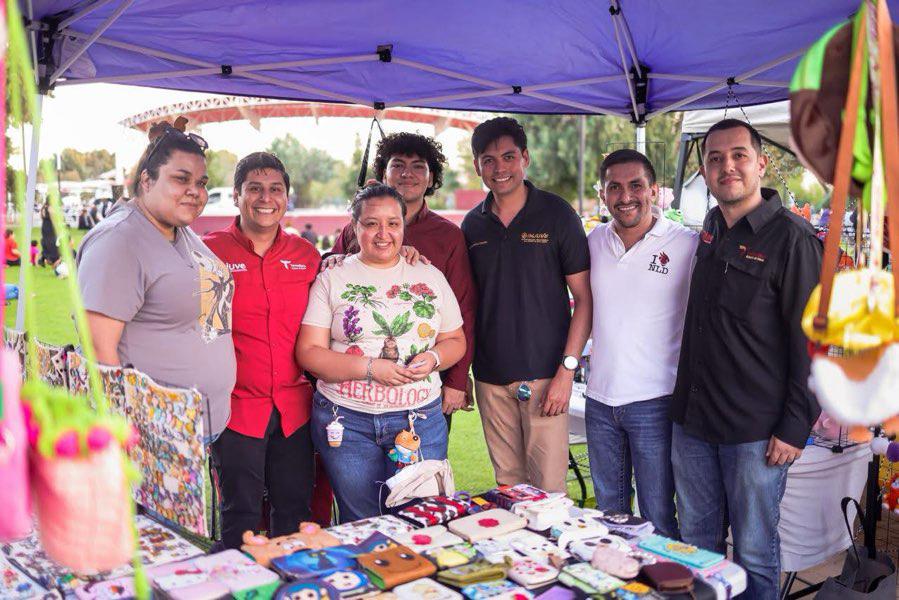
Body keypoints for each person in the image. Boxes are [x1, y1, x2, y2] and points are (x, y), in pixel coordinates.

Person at [670, 119, 822, 599]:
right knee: (697, 546)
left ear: (762, 163)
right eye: (715, 158)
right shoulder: (711, 228)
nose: (727, 166)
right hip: (693, 422)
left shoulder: (794, 239)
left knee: (754, 553)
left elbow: (813, 343)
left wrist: (795, 425)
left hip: (755, 432)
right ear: (704, 172)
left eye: (738, 155)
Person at [296, 184, 466, 522]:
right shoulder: (333, 278)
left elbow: (455, 339)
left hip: (418, 420)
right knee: (362, 520)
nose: (383, 233)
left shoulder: (429, 275)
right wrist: (371, 368)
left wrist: (434, 358)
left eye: (393, 223)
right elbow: (309, 352)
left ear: (404, 226)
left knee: (420, 519)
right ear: (354, 226)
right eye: (371, 223)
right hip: (346, 422)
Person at [77, 119, 236, 441]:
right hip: (153, 437)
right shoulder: (119, 242)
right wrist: (123, 437)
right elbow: (98, 351)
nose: (195, 191)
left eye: (201, 182)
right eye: (181, 179)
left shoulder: (178, 230)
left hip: (199, 425)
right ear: (147, 180)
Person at [461, 117, 591, 493]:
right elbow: (468, 304)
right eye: (488, 160)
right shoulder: (472, 225)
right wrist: (463, 372)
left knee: (549, 493)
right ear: (477, 167)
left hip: (547, 378)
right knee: (509, 490)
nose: (499, 168)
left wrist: (566, 372)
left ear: (525, 158)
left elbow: (585, 300)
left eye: (508, 157)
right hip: (490, 379)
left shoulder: (557, 214)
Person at [203, 152, 321, 549]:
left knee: (294, 514)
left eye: (275, 189)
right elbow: (200, 331)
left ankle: (290, 580)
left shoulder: (306, 256)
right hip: (236, 410)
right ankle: (238, 581)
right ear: (237, 195)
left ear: (287, 196)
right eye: (254, 188)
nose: (265, 198)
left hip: (295, 410)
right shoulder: (210, 252)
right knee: (241, 518)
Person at [583, 149, 696, 539]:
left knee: (658, 515)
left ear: (654, 190)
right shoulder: (593, 241)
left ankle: (663, 577)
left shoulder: (686, 244)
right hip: (599, 401)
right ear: (602, 194)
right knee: (609, 516)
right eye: (614, 187)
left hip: (656, 401)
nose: (625, 196)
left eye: (635, 185)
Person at [330, 132, 476, 422]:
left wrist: (457, 380)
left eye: (418, 166)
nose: (407, 174)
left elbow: (465, 309)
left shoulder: (448, 236)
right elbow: (329, 279)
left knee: (421, 452)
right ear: (383, 174)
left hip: (424, 384)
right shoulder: (355, 228)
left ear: (431, 178)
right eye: (397, 165)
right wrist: (331, 259)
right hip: (356, 391)